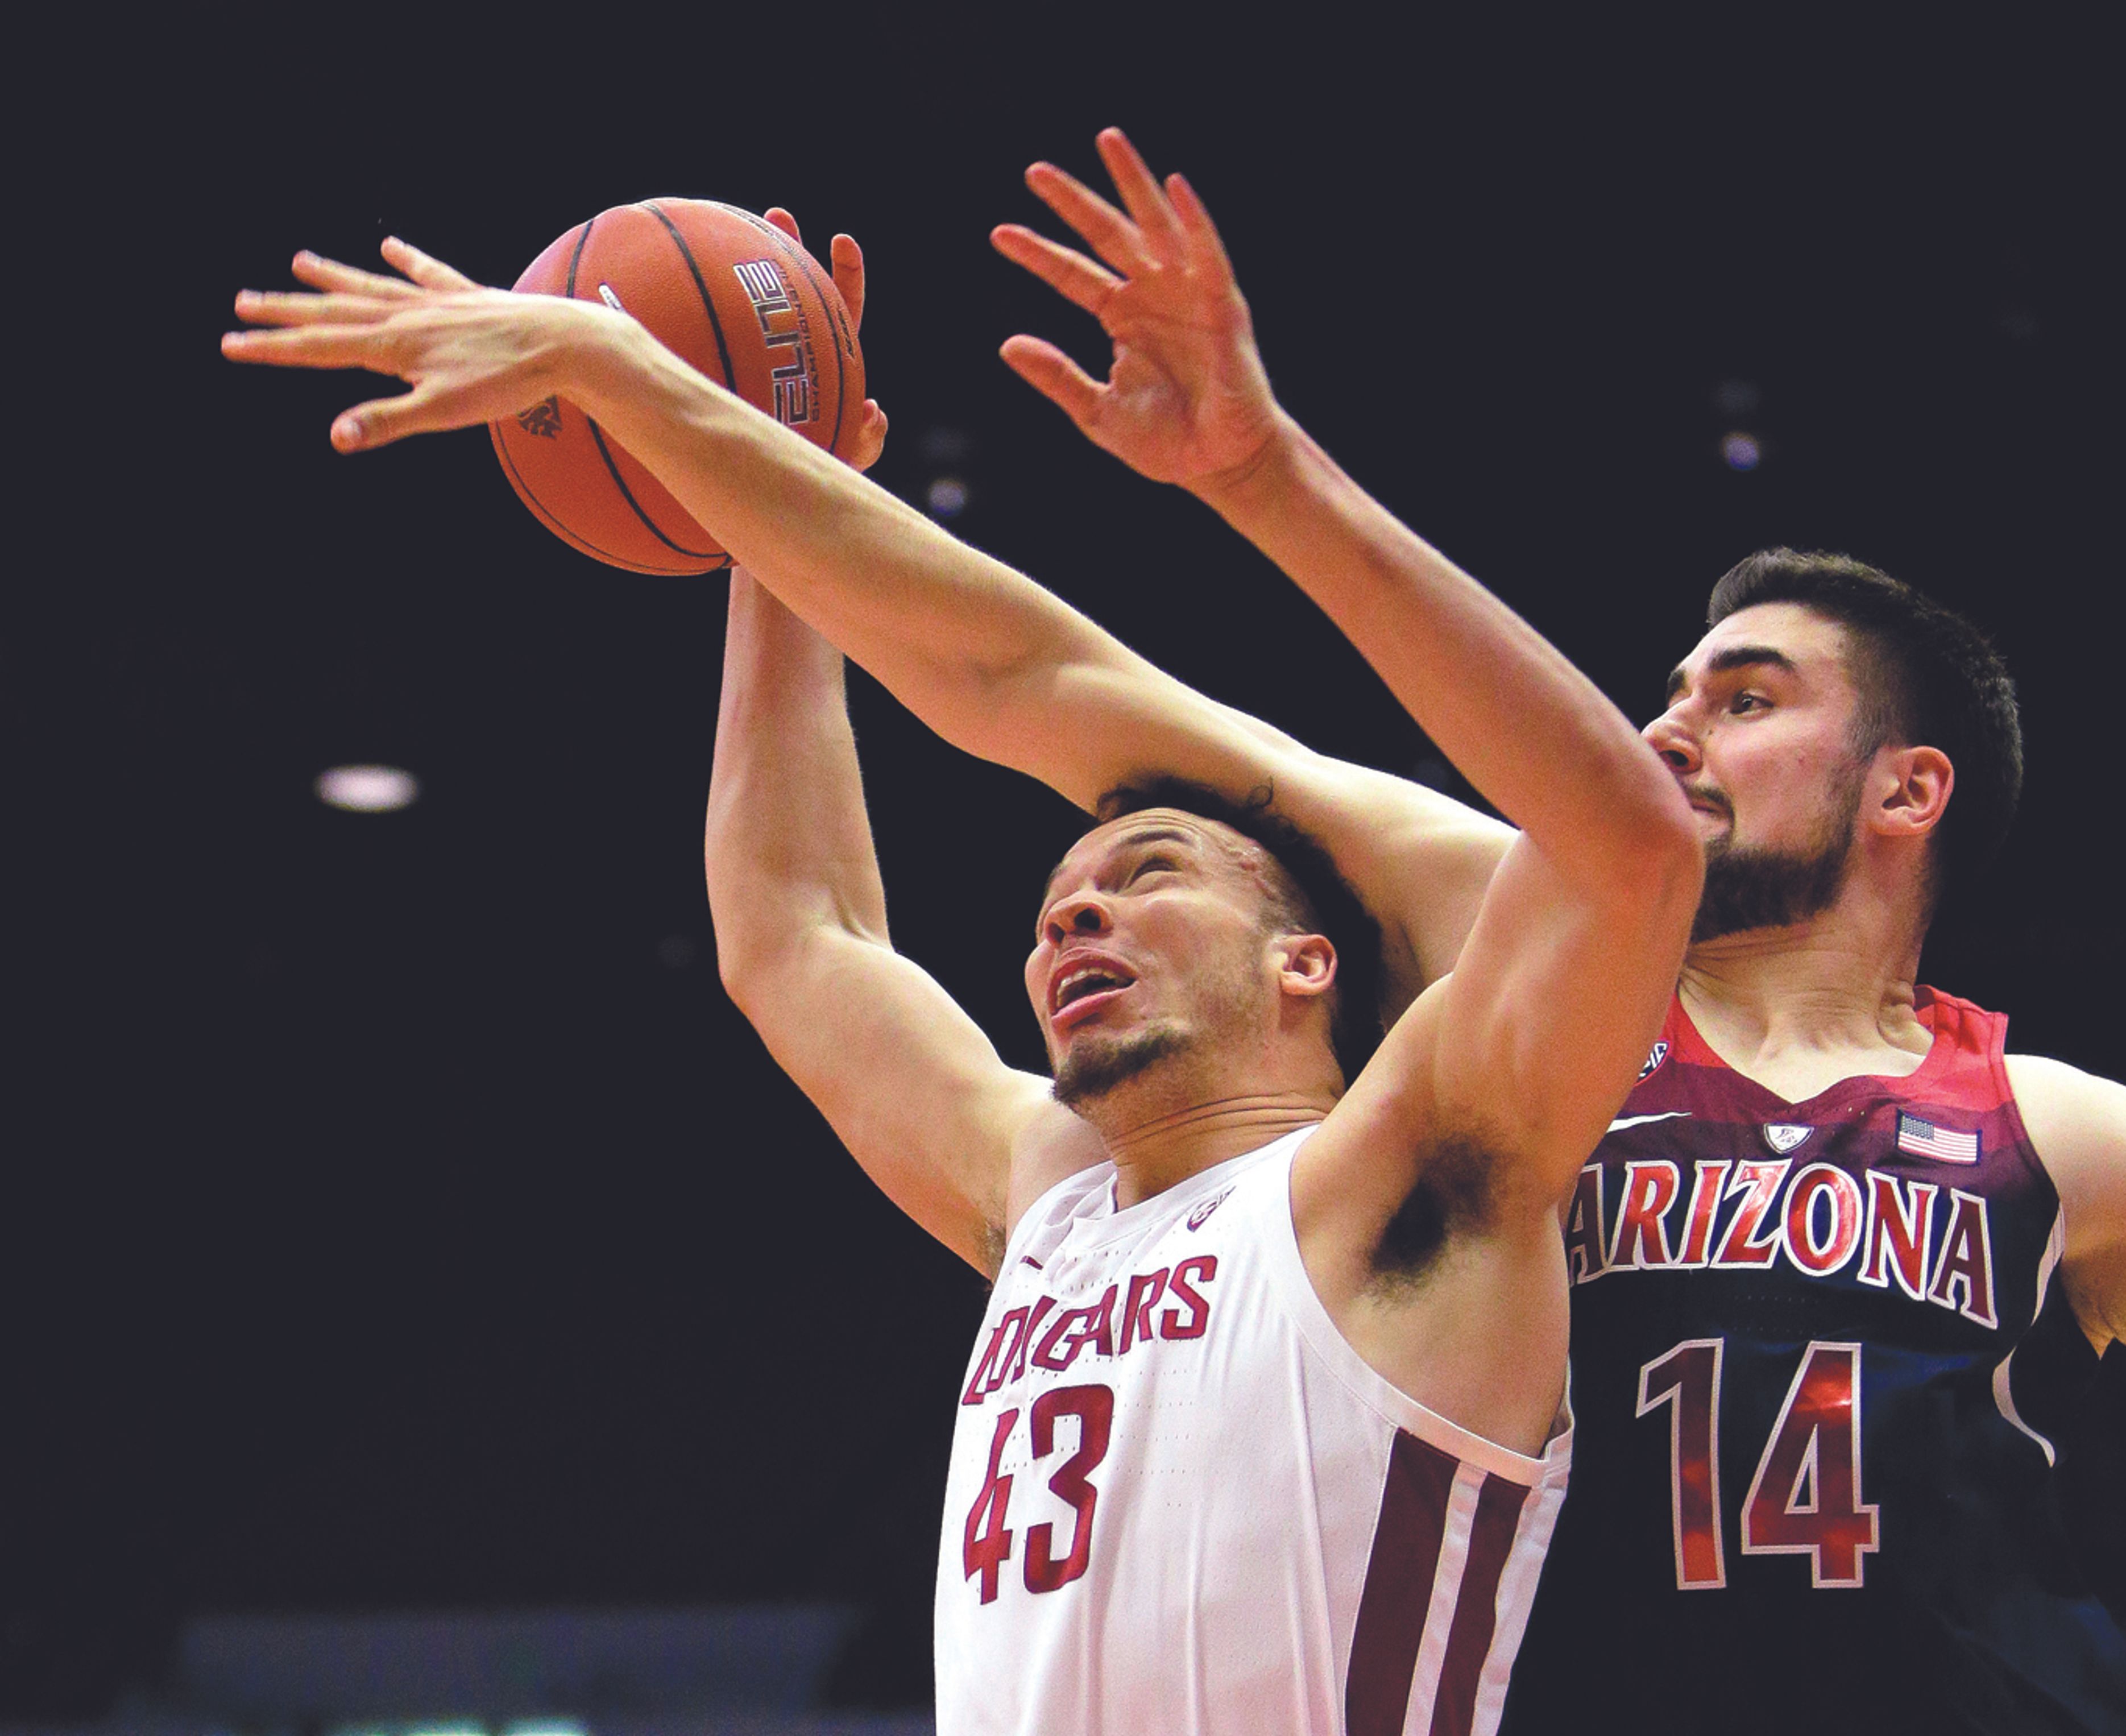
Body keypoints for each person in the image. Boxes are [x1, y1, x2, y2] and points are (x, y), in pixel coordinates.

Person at [223, 164, 1705, 1736]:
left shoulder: (1417, 1174)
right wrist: (763, 523)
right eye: (1063, 896)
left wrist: (623, 372)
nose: (1073, 911)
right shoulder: (1051, 1204)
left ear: (1309, 966)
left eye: (1147, 872)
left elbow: (1627, 851)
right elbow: (798, 934)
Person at [978, 136, 2126, 1735]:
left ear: (1909, 789)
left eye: (1745, 701)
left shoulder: (2056, 1131)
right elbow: (1055, 686)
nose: (1667, 730)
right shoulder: (1517, 962)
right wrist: (722, 463)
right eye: (1667, 696)